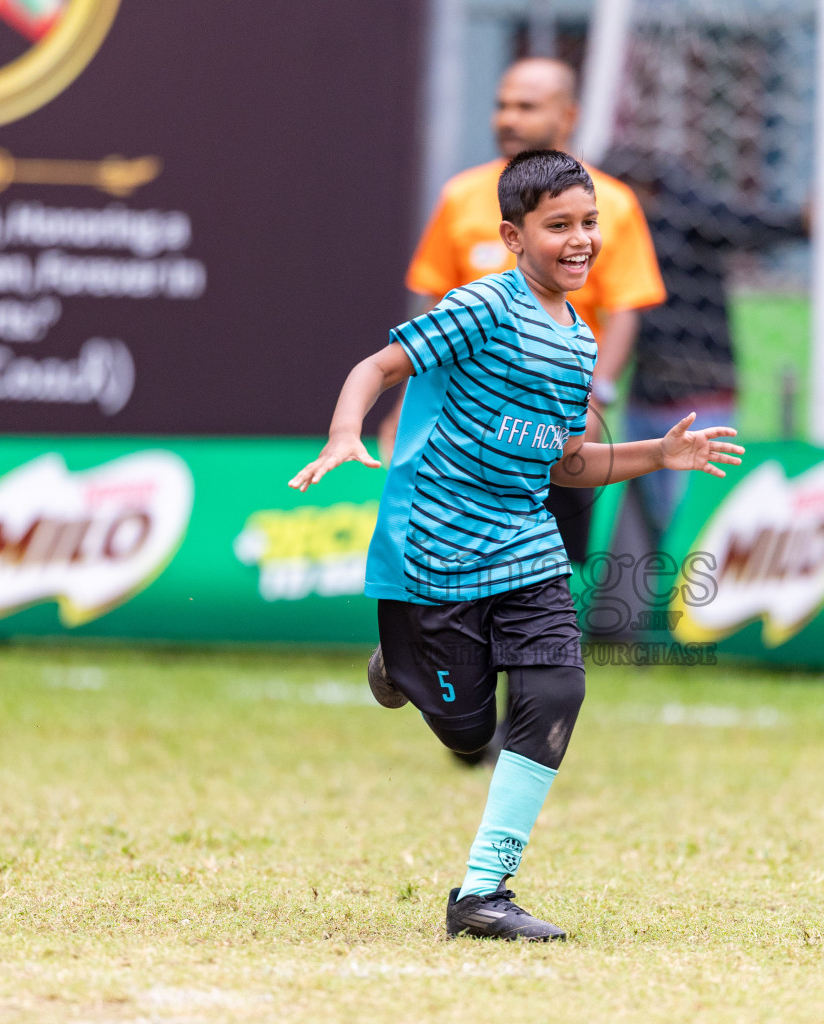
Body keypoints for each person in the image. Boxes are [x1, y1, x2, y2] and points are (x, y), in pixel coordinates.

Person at [287, 150, 742, 941]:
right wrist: (342, 432)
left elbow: (567, 462)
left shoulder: (580, 340)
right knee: (468, 733)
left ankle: (482, 895)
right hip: (438, 549)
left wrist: (659, 455)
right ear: (512, 235)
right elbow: (378, 366)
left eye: (589, 223)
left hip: (525, 541)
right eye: (558, 226)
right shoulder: (481, 308)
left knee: (558, 693)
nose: (580, 240)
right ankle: (402, 666)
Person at [389, 57, 665, 567]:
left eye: (526, 106)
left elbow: (625, 310)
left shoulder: (615, 203)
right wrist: (405, 405)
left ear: (568, 115)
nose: (507, 119)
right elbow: (430, 308)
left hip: (553, 418)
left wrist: (596, 393)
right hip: (463, 421)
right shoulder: (461, 196)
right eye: (501, 106)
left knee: (549, 563)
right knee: (444, 554)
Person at [601, 147, 806, 537]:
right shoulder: (608, 238)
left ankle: (692, 597)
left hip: (702, 400)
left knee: (698, 525)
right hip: (643, 398)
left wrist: (801, 221)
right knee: (655, 525)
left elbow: (748, 225)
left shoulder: (688, 215)